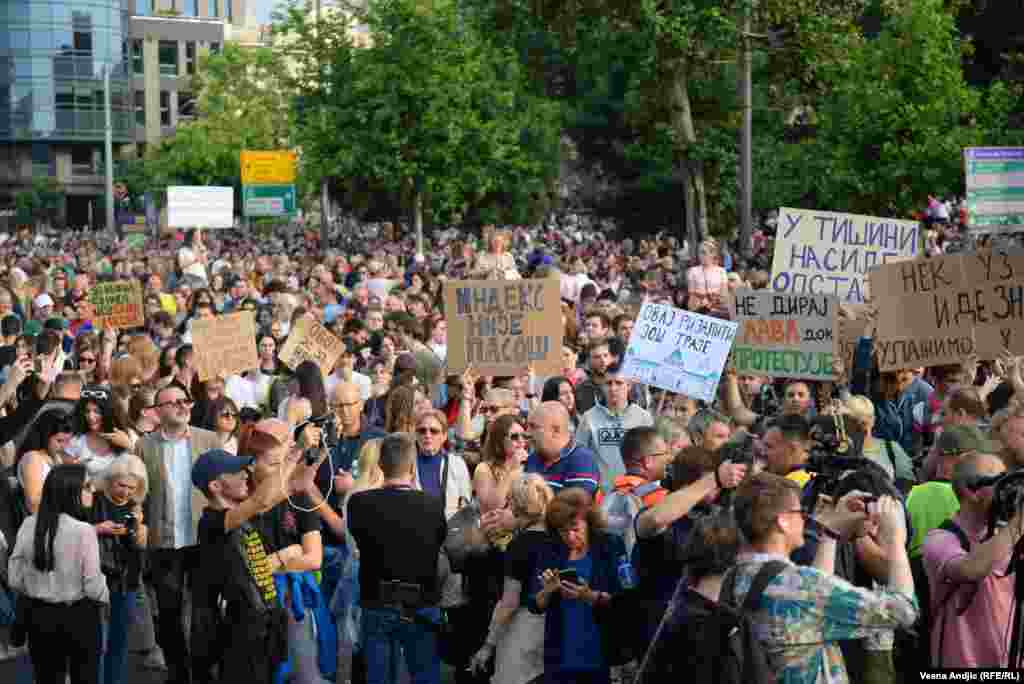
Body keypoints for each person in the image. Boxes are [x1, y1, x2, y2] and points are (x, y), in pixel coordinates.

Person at [730, 472, 917, 684]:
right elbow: (903, 611)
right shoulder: (799, 585)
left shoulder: (736, 575)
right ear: (783, 521)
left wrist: (830, 534)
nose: (805, 518)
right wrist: (895, 540)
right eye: (800, 512)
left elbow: (813, 603)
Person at [189, 441, 319, 684]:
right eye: (235, 473)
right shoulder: (213, 522)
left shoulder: (238, 512)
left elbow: (271, 497)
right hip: (239, 630)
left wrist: (294, 482)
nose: (244, 476)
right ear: (216, 486)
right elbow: (260, 501)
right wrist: (294, 453)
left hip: (262, 622)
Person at [136, 383, 222, 684]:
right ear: (158, 411)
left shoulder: (210, 440)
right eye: (173, 403)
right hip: (164, 543)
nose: (182, 406)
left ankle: (204, 671)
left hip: (203, 540)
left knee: (204, 611)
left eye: (185, 401)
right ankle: (178, 673)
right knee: (169, 613)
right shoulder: (144, 445)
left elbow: (224, 487)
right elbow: (139, 494)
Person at [347, 433, 448, 684]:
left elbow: (358, 539)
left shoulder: (359, 503)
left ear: (380, 466)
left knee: (378, 677)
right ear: (413, 467)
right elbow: (439, 542)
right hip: (421, 604)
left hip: (378, 603)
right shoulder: (432, 505)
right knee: (425, 676)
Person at [7, 464, 109, 684]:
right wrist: (106, 592)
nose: (92, 491)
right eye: (87, 487)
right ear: (71, 491)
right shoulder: (84, 531)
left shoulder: (29, 524)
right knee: (85, 677)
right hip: (80, 616)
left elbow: (14, 577)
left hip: (39, 616)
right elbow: (93, 586)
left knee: (46, 678)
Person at [922, 452, 1021, 668]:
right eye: (1000, 482)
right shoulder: (940, 539)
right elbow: (970, 569)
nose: (1009, 489)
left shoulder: (1008, 534)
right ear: (971, 491)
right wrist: (1019, 522)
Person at [528, 488, 626, 684]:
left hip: (601, 656)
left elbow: (625, 601)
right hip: (560, 659)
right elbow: (535, 604)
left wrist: (591, 596)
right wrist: (547, 591)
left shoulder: (610, 546)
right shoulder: (551, 550)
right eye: (563, 531)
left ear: (589, 521)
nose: (570, 537)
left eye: (575, 528)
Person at [468, 474, 554, 684]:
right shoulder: (558, 540)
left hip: (522, 630)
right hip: (553, 630)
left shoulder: (520, 545)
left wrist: (488, 645)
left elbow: (509, 602)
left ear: (515, 505)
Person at [92, 454, 149, 684]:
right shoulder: (94, 500)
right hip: (96, 575)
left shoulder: (138, 507)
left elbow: (143, 545)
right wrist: (98, 528)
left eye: (131, 487)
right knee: (95, 640)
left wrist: (141, 531)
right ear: (110, 480)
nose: (125, 491)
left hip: (127, 577)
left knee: (120, 638)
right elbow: (73, 531)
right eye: (121, 484)